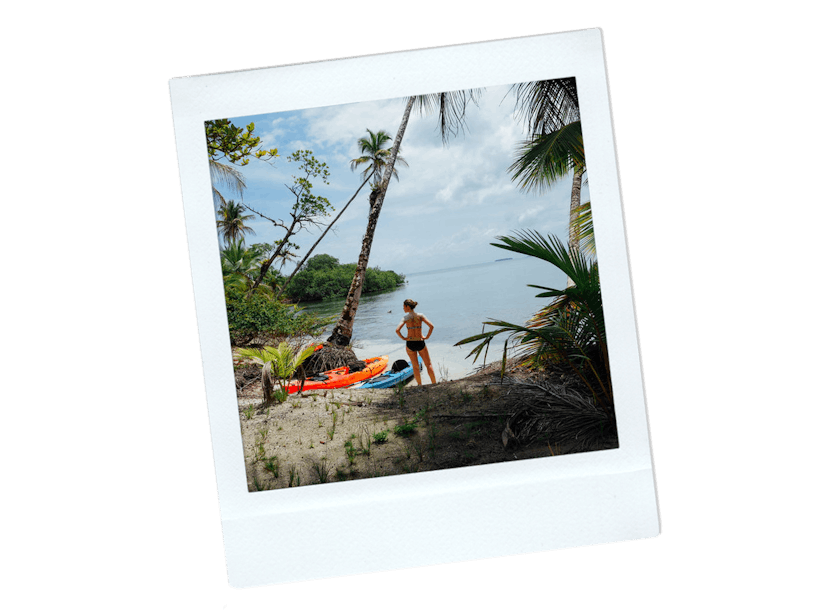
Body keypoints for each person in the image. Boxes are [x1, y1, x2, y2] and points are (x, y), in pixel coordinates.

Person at [395, 299, 436, 385]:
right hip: (420, 342)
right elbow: (431, 326)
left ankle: (420, 385)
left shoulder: (405, 318)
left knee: (415, 366)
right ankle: (434, 384)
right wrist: (426, 337)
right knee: (428, 365)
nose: (403, 308)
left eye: (404, 307)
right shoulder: (420, 316)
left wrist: (404, 338)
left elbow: (397, 330)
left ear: (408, 307)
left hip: (410, 343)